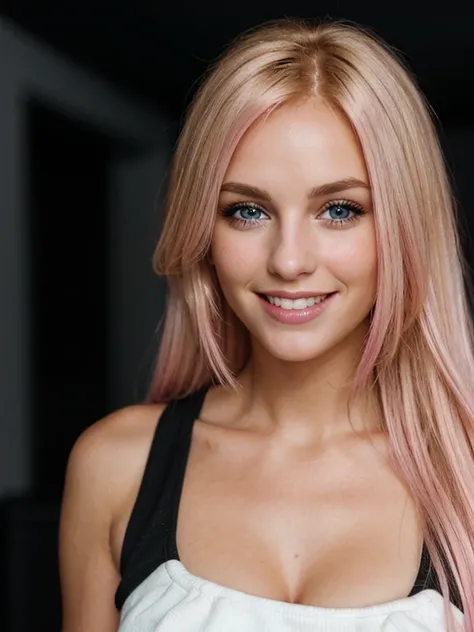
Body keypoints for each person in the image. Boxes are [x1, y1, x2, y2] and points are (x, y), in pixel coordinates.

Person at [58, 17, 472, 632]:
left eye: (339, 209)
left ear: (405, 228)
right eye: (247, 210)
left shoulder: (465, 479)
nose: (289, 260)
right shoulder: (115, 466)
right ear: (204, 228)